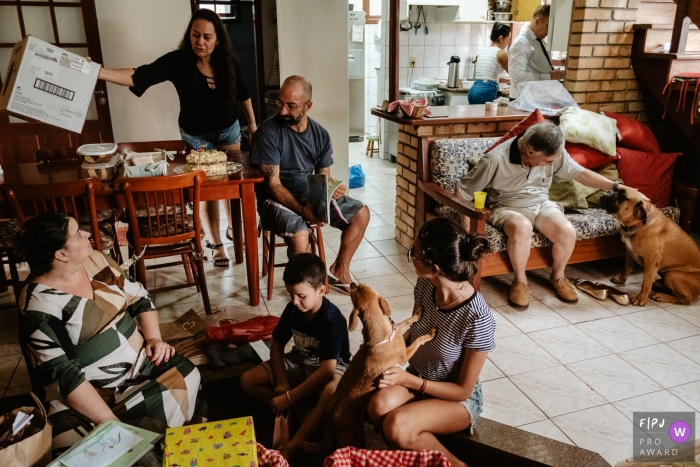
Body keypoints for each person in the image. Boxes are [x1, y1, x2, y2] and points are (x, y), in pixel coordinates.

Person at [15, 212, 206, 457]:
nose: (87, 234)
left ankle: (170, 451)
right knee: (81, 447)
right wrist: (111, 422)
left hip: (141, 365)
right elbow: (64, 376)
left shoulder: (95, 260)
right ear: (61, 254)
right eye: (77, 233)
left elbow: (139, 298)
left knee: (187, 374)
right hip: (91, 392)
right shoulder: (38, 306)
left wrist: (154, 339)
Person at [98, 9, 256, 267]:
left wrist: (251, 122)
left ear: (218, 40)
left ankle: (234, 234)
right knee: (206, 190)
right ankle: (217, 244)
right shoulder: (179, 61)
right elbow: (138, 75)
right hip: (197, 135)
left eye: (207, 37)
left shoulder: (228, 62)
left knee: (231, 183)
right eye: (195, 35)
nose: (200, 42)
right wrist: (99, 72)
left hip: (229, 129)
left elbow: (244, 92)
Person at [455, 121, 628, 308]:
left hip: (541, 204)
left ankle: (558, 277)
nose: (552, 164)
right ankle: (520, 281)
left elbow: (579, 174)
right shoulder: (495, 159)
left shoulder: (553, 152)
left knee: (567, 231)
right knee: (522, 227)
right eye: (548, 161)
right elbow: (462, 191)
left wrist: (617, 186)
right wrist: (467, 232)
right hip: (507, 207)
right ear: (530, 152)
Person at [366, 218, 495, 467]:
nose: (410, 255)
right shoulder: (425, 285)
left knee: (397, 425)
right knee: (377, 406)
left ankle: (457, 465)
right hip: (419, 376)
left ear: (434, 267)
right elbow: (414, 331)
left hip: (456, 400)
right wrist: (383, 348)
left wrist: (407, 380)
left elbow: (462, 391)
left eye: (413, 252)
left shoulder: (478, 318)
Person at [250, 75, 370, 293]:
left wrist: (332, 188)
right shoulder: (267, 133)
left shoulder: (321, 134)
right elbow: (274, 185)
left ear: (308, 106)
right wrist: (305, 212)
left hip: (309, 195)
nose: (283, 111)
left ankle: (340, 267)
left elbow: (324, 176)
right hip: (273, 199)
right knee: (301, 234)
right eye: (281, 103)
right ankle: (303, 290)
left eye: (291, 106)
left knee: (361, 213)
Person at [239, 253, 351, 460]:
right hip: (299, 360)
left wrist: (288, 396)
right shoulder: (293, 309)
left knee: (330, 391)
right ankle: (300, 412)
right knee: (248, 381)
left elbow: (327, 371)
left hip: (333, 367)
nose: (294, 301)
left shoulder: (332, 320)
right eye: (291, 294)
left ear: (321, 290)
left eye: (301, 296)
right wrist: (282, 383)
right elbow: (277, 345)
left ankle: (294, 444)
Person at [508, 4, 565, 101]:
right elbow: (517, 77)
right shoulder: (521, 42)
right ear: (538, 21)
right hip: (523, 100)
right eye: (548, 26)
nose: (549, 32)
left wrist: (553, 74)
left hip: (536, 98)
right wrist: (549, 76)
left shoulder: (540, 42)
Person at [468, 23, 511, 105]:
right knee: (488, 117)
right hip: (486, 91)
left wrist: (504, 80)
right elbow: (514, 75)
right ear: (501, 38)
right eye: (508, 40)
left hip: (473, 90)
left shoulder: (483, 51)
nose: (508, 43)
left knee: (475, 117)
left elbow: (486, 75)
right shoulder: (501, 53)